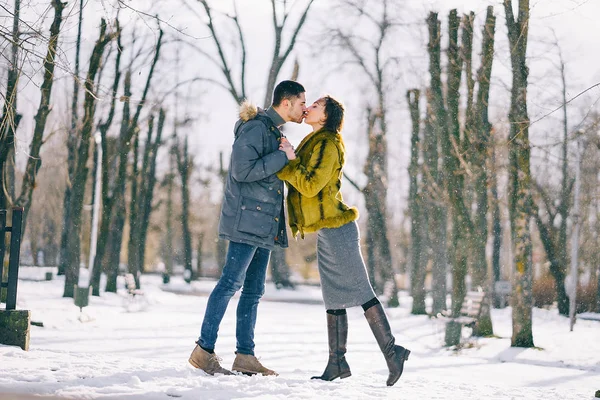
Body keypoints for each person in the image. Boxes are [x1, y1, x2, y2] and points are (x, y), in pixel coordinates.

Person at [277, 95, 410, 386]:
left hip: (339, 229)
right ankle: (337, 362)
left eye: (315, 105)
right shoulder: (314, 141)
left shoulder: (328, 144)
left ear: (325, 116)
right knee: (334, 297)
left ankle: (393, 352)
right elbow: (305, 175)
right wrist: (290, 153)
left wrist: (288, 162)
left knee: (362, 292)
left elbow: (310, 185)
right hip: (326, 230)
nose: (308, 107)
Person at [189, 81, 307, 376]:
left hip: (264, 223)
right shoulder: (256, 128)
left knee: (254, 291)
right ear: (287, 102)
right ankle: (204, 350)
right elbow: (242, 171)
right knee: (230, 283)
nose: (305, 109)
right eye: (302, 102)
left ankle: (245, 356)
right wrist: (283, 157)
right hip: (248, 221)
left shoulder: (273, 132)